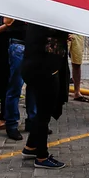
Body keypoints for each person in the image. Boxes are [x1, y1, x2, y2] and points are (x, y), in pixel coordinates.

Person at [20, 23, 70, 169]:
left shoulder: (36, 18)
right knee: (44, 114)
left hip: (35, 67)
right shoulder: (46, 21)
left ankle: (30, 147)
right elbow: (48, 41)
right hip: (44, 69)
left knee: (43, 112)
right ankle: (42, 157)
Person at [68, 34, 89, 103]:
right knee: (59, 60)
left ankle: (77, 92)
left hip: (77, 34)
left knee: (77, 63)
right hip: (64, 31)